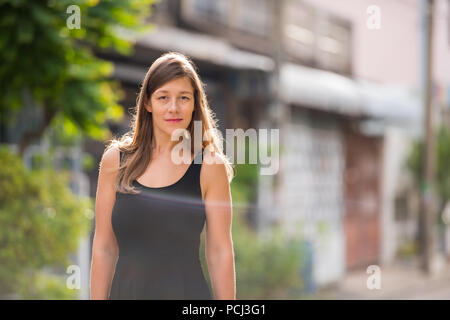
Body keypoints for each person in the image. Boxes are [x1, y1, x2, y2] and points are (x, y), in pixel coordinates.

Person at [89, 52, 236, 300]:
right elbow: (104, 248)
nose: (173, 108)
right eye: (163, 97)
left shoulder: (209, 165)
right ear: (147, 103)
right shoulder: (115, 161)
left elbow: (219, 251)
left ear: (194, 103)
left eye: (183, 98)